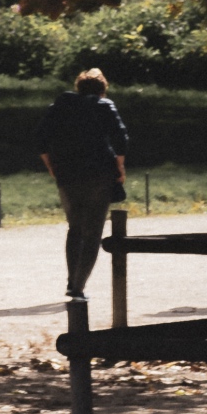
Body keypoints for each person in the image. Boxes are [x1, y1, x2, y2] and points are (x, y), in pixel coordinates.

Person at [35, 67, 130, 297]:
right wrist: (120, 167)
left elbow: (39, 139)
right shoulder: (104, 106)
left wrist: (51, 166)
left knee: (75, 229)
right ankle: (78, 287)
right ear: (103, 90)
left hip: (67, 174)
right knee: (93, 233)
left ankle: (71, 281)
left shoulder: (59, 107)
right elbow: (121, 138)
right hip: (99, 174)